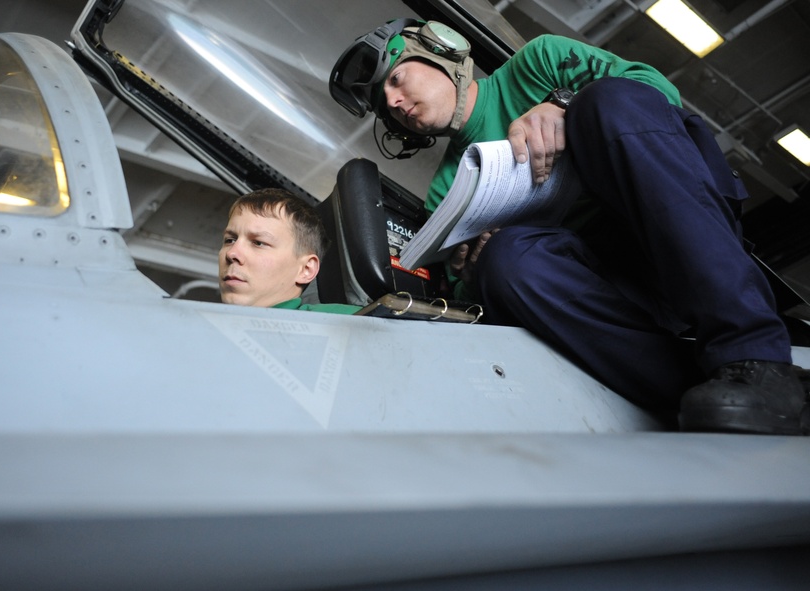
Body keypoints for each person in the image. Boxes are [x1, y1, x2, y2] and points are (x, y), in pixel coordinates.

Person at [329, 19, 808, 434]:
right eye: (382, 104)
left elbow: (657, 95)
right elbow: (481, 297)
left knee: (608, 102)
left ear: (440, 50)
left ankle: (754, 353)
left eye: (395, 78)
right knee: (506, 260)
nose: (393, 101)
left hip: (678, 226)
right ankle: (701, 389)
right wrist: (471, 268)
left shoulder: (540, 62)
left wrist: (564, 104)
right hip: (608, 289)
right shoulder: (449, 189)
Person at [219, 188, 361, 314]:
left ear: (306, 269)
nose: (232, 253)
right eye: (230, 240)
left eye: (258, 243)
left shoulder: (353, 323)